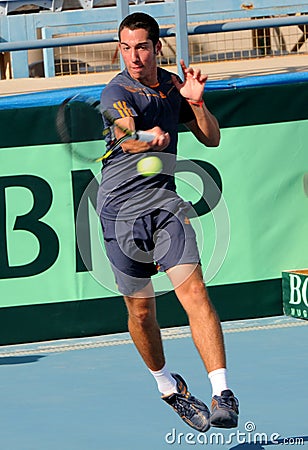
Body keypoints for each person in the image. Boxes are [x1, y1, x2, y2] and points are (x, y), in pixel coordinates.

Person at [97, 11, 239, 432]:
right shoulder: (115, 92)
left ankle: (223, 392)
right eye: (126, 48)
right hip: (122, 215)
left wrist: (196, 101)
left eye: (141, 46)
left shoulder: (174, 87)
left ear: (157, 47)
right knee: (141, 314)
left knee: (194, 291)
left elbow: (211, 137)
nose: (134, 56)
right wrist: (147, 138)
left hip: (165, 207)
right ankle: (167, 386)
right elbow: (126, 136)